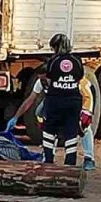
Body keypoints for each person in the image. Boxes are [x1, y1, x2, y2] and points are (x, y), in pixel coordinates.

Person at [9, 33, 85, 166]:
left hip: (56, 101)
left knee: (49, 130)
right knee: (71, 133)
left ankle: (48, 160)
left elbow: (50, 78)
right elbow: (79, 78)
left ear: (56, 47)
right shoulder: (77, 61)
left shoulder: (53, 62)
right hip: (73, 101)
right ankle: (70, 163)